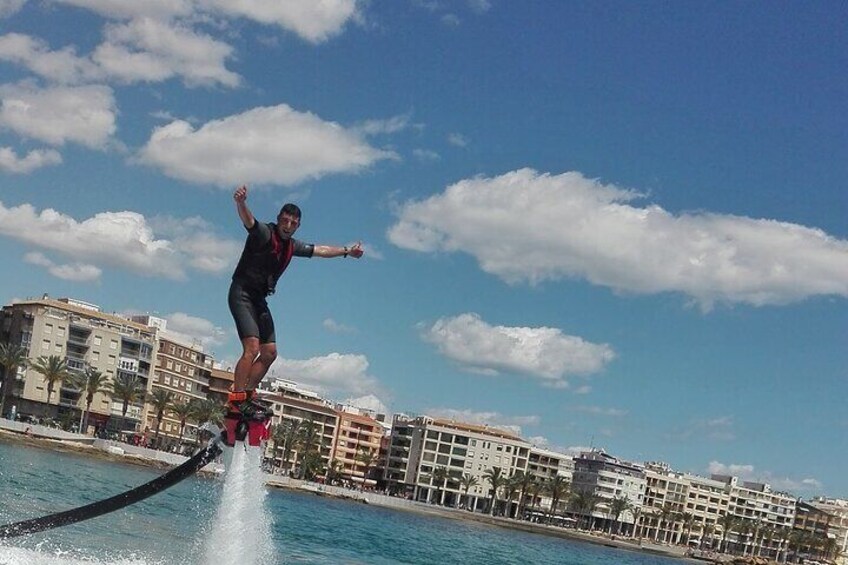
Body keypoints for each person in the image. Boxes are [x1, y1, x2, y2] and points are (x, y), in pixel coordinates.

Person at [228, 185, 363, 416]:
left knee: (269, 352)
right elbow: (249, 221)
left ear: (298, 225)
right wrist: (241, 203)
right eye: (285, 220)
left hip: (259, 299)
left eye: (293, 223)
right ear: (278, 219)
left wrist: (347, 251)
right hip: (241, 293)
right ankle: (236, 399)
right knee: (251, 347)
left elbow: (320, 250)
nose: (288, 226)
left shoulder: (292, 246)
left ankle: (248, 395)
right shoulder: (264, 234)